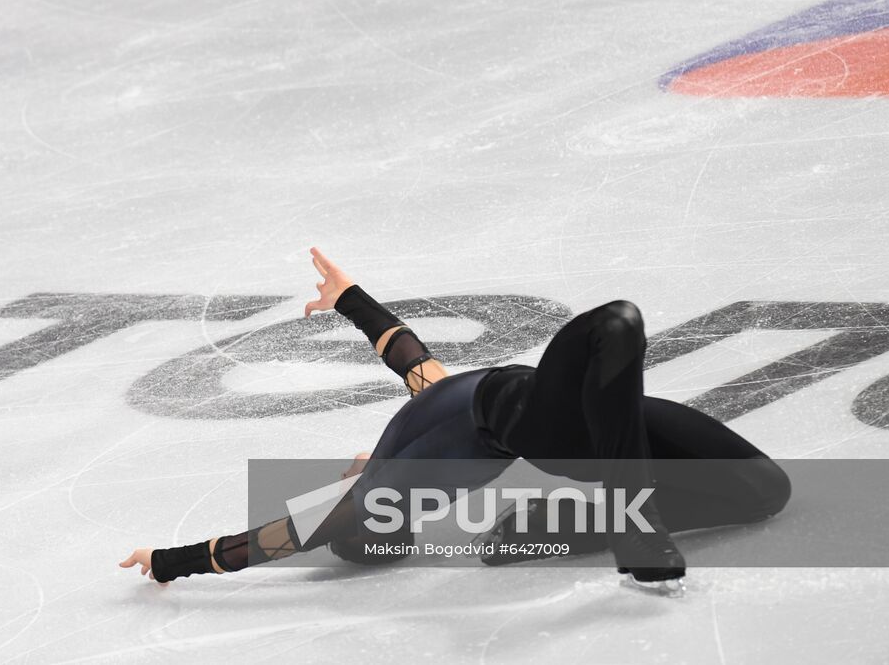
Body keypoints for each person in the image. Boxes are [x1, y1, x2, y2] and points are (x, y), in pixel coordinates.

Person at [120, 248, 791, 595]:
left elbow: (408, 355)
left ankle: (563, 525)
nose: (343, 470)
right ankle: (629, 527)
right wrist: (172, 563)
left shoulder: (416, 415)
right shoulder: (376, 499)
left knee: (765, 492)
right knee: (615, 323)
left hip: (600, 415)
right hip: (545, 425)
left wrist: (348, 299)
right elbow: (268, 543)